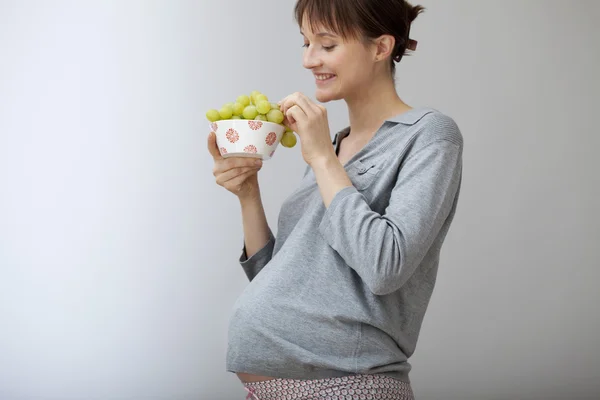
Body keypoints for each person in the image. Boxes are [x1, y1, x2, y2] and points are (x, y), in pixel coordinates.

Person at [207, 0, 463, 398]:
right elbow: (280, 281)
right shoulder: (333, 147)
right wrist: (248, 194)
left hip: (347, 386)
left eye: (326, 45)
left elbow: (385, 266)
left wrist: (322, 157)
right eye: (306, 43)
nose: (310, 60)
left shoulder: (427, 135)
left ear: (380, 48)